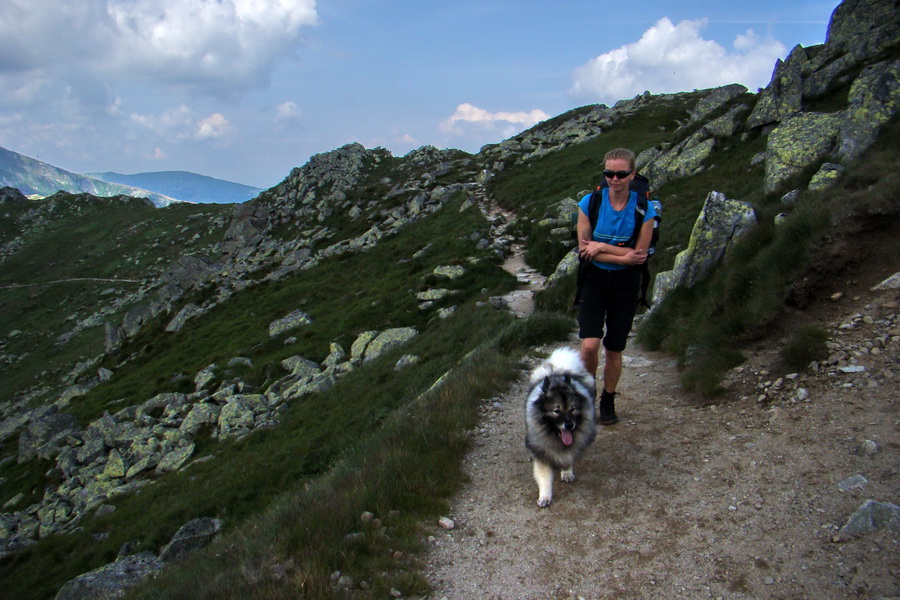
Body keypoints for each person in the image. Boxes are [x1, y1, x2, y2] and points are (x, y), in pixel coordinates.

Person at [576, 148, 657, 425]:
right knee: (588, 345)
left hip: (626, 284)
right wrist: (620, 254)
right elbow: (585, 251)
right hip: (594, 280)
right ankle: (586, 395)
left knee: (613, 349)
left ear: (632, 174)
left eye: (621, 174)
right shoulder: (590, 203)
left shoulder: (645, 208)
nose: (615, 179)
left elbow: (641, 256)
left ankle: (608, 400)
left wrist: (602, 246)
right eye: (609, 173)